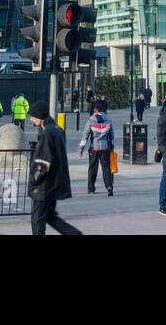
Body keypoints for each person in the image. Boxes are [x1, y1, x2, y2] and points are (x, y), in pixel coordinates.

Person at [27, 101, 82, 235]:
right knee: (50, 216)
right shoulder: (57, 129)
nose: (30, 119)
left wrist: (34, 179)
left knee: (37, 219)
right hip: (54, 182)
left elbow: (44, 161)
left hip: (44, 186)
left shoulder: (47, 133)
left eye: (32, 116)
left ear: (40, 117)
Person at [79, 100, 115, 195]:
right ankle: (109, 186)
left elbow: (85, 135)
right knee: (106, 168)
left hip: (94, 148)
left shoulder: (90, 120)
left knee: (92, 168)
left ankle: (91, 189)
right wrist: (112, 148)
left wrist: (81, 149)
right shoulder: (108, 120)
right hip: (105, 148)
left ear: (95, 110)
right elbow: (112, 136)